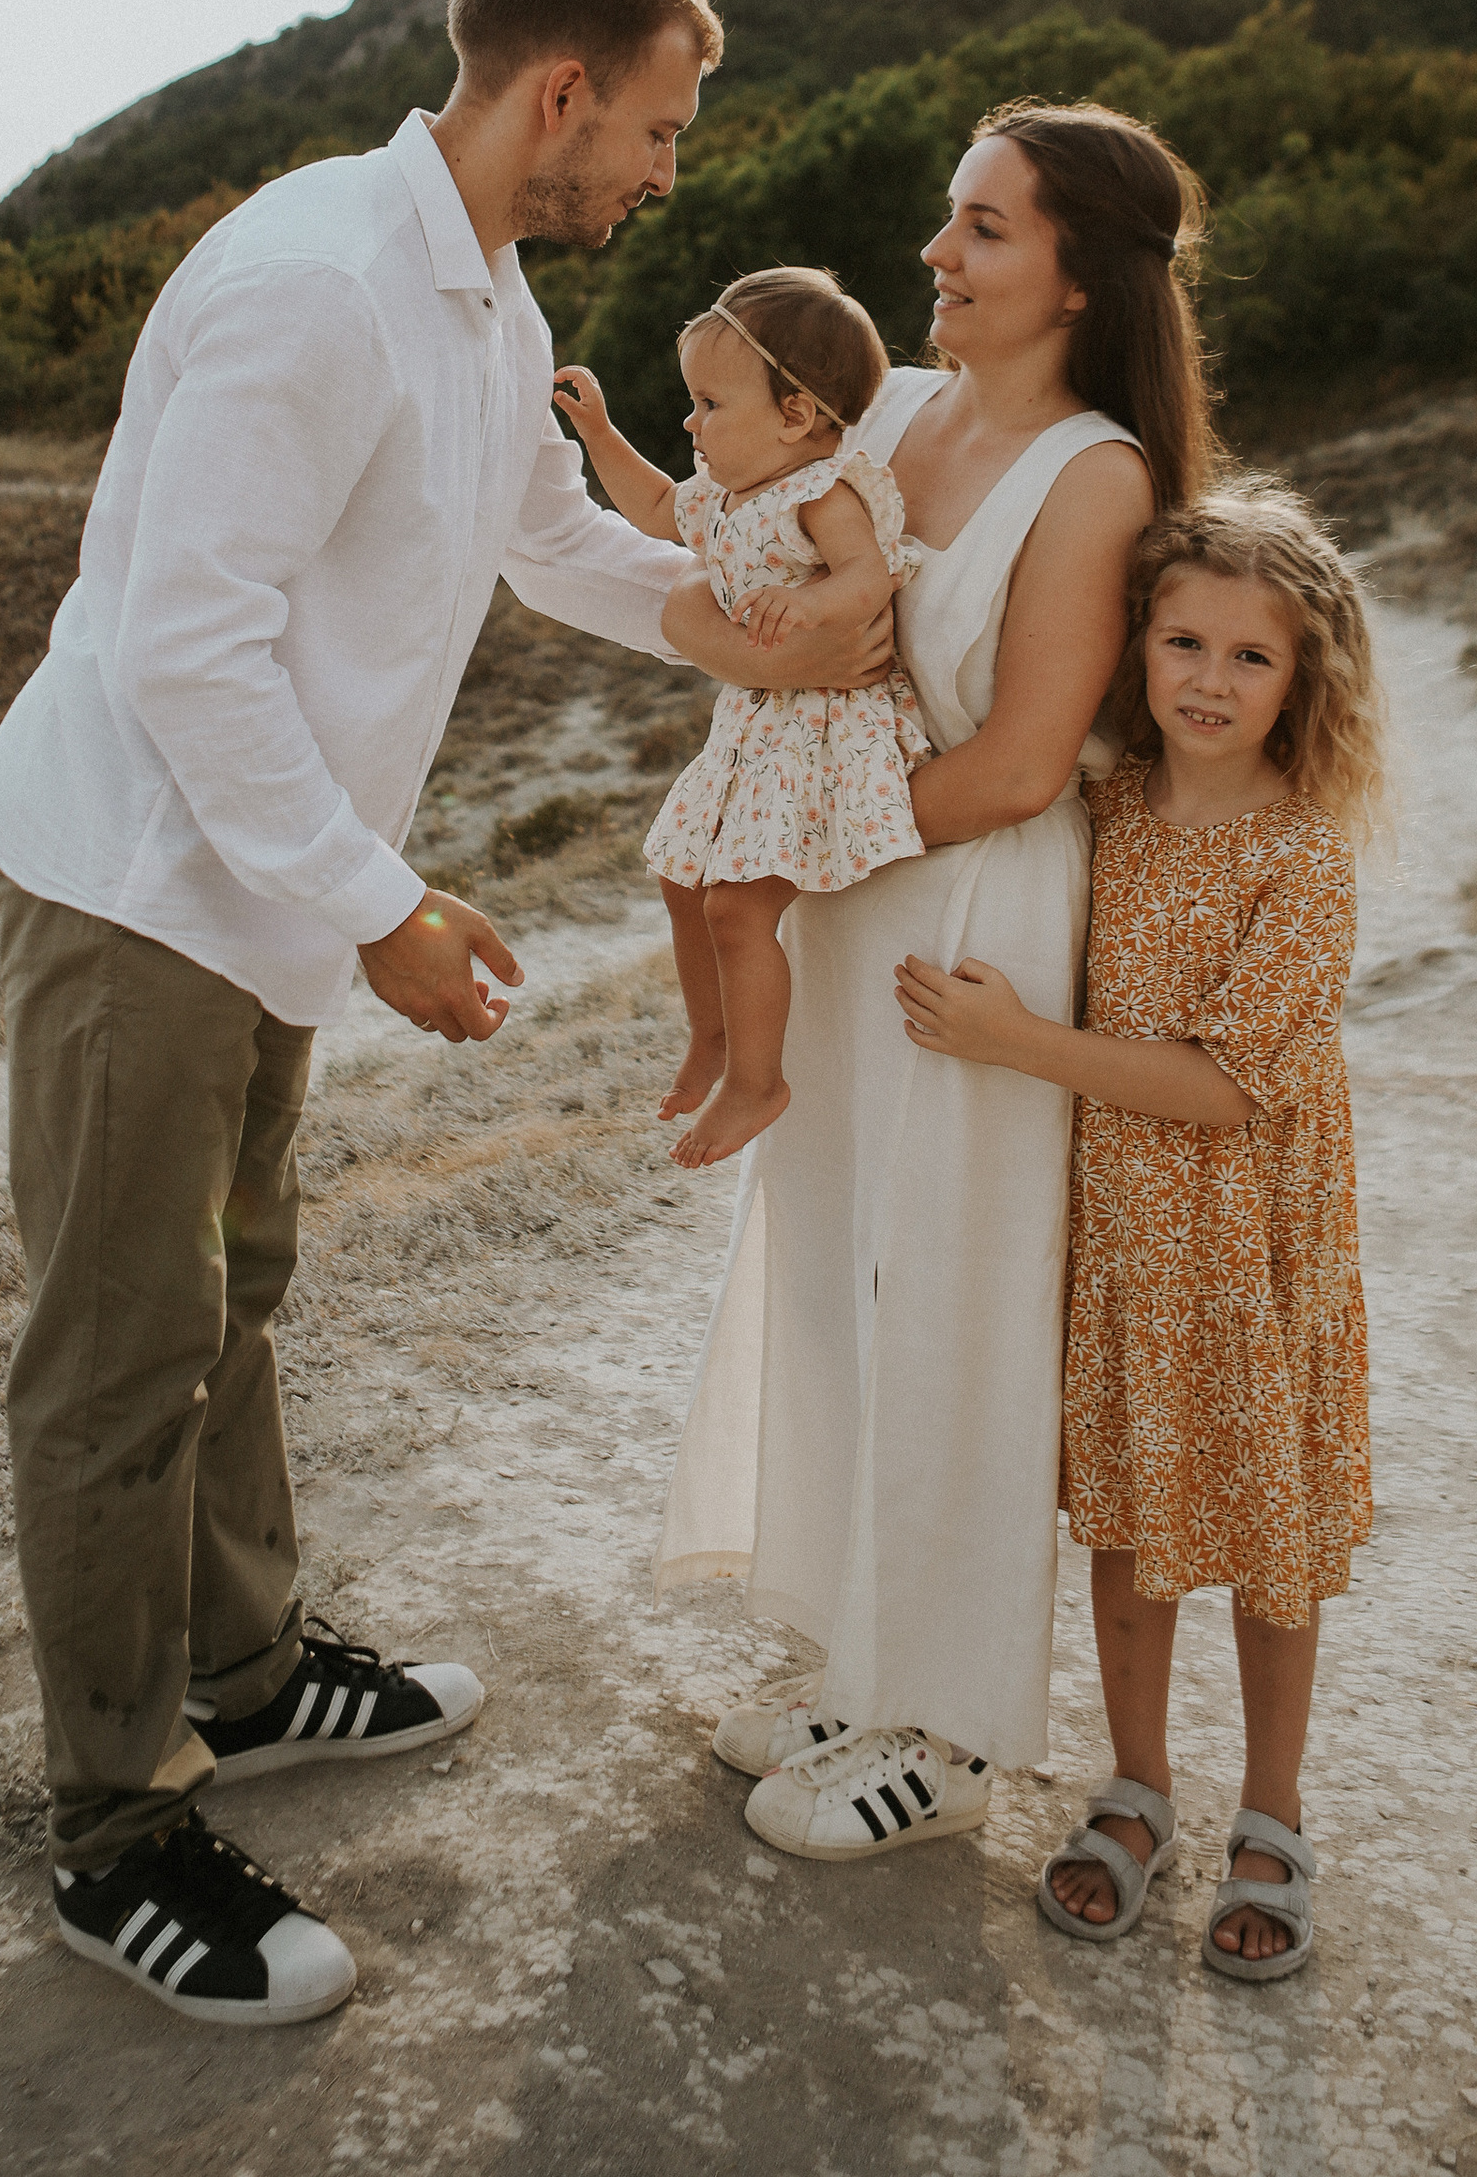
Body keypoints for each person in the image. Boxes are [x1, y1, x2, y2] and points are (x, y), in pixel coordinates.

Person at [0, 0, 886, 2028]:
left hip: (259, 885)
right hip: (143, 891)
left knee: (235, 1296)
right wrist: (376, 902)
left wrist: (746, 632)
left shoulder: (476, 291)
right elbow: (187, 643)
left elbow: (540, 533)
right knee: (115, 1363)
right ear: (557, 90)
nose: (664, 176)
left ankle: (252, 1671)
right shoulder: (319, 285)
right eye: (651, 128)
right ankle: (116, 1831)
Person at [658, 97, 1213, 1865]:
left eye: (982, 229)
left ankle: (954, 1725)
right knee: (831, 1269)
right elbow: (759, 593)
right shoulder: (890, 409)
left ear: (1075, 276)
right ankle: (850, 1646)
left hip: (967, 912)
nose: (937, 254)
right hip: (840, 898)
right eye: (948, 218)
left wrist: (788, 824)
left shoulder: (1098, 472)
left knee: (957, 1299)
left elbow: (1023, 761)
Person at [896, 481, 1383, 1980]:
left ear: (1304, 682)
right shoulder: (1104, 806)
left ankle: (1275, 1810)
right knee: (1129, 1519)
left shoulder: (1302, 857)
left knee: (1265, 1533)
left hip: (1249, 1254)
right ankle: (1140, 1784)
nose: (1209, 682)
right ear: (1139, 645)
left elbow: (1226, 1091)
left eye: (1252, 658)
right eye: (1184, 641)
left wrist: (1017, 1041)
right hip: (1120, 1248)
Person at [553, 269, 931, 1171]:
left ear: (795, 415)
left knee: (735, 908)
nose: (692, 423)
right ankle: (713, 1035)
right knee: (679, 876)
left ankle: (762, 1079)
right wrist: (600, 432)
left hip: (823, 732)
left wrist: (811, 612)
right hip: (756, 729)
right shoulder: (720, 498)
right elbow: (647, 507)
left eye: (710, 403)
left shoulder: (822, 492)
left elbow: (870, 575)